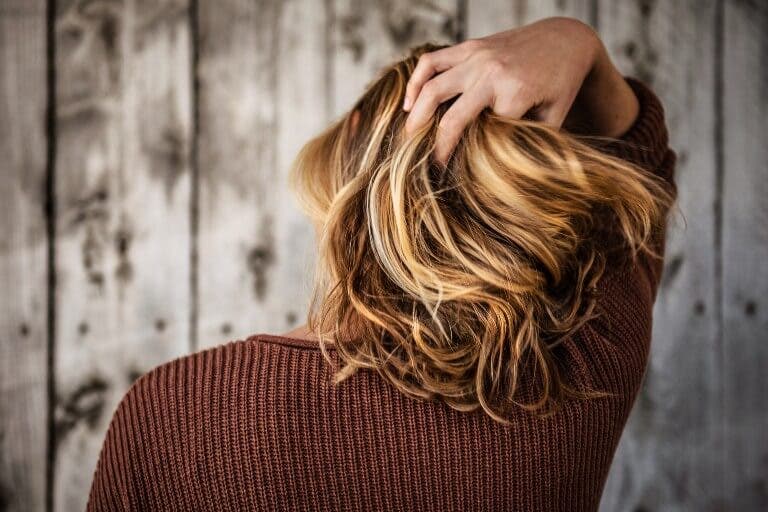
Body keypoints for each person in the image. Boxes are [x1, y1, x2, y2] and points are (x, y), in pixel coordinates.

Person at [87, 17, 677, 511]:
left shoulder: (171, 416)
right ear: (521, 192)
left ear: (346, 168)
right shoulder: (584, 366)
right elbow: (643, 170)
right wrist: (578, 44)